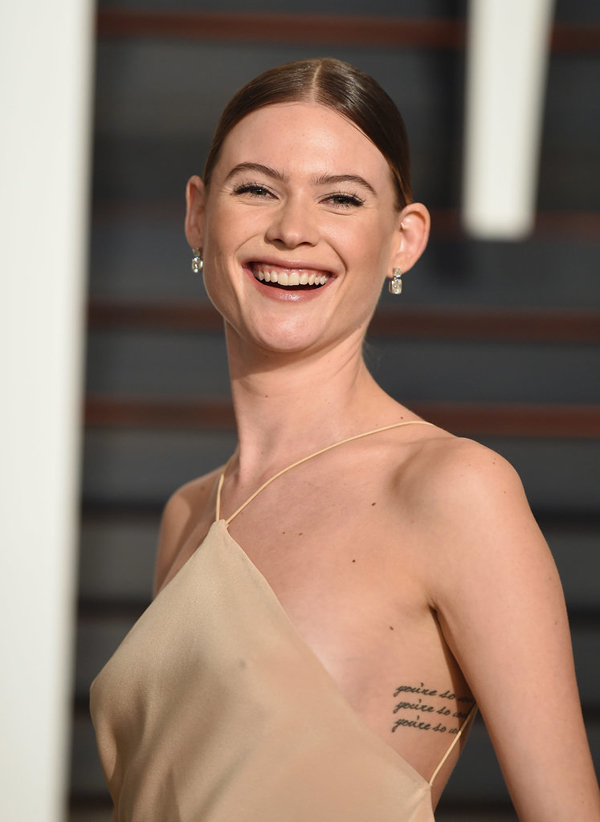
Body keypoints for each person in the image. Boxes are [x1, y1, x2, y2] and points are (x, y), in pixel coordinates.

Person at [90, 58, 600, 821]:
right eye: (256, 188)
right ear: (198, 215)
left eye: (341, 198)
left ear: (404, 239)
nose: (293, 230)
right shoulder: (189, 513)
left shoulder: (452, 489)